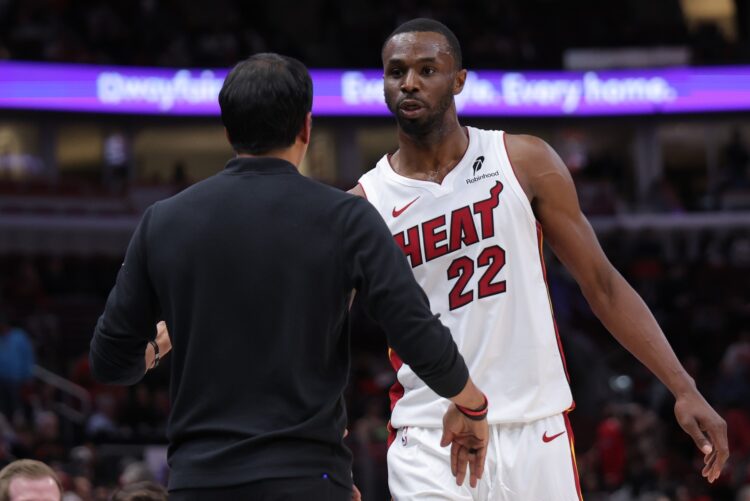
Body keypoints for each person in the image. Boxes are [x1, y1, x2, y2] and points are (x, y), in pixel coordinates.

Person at [349, 18, 730, 500]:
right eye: (396, 71)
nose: (409, 82)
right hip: (430, 434)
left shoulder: (523, 160)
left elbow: (602, 284)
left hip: (535, 427)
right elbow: (322, 333)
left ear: (459, 80)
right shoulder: (364, 204)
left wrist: (683, 387)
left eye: (427, 70)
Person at [89, 53, 489, 500]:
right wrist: (471, 403)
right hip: (309, 479)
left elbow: (109, 362)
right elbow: (415, 331)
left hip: (201, 481)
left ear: (228, 132)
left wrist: (155, 349)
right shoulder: (347, 217)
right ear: (306, 127)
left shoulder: (163, 221)